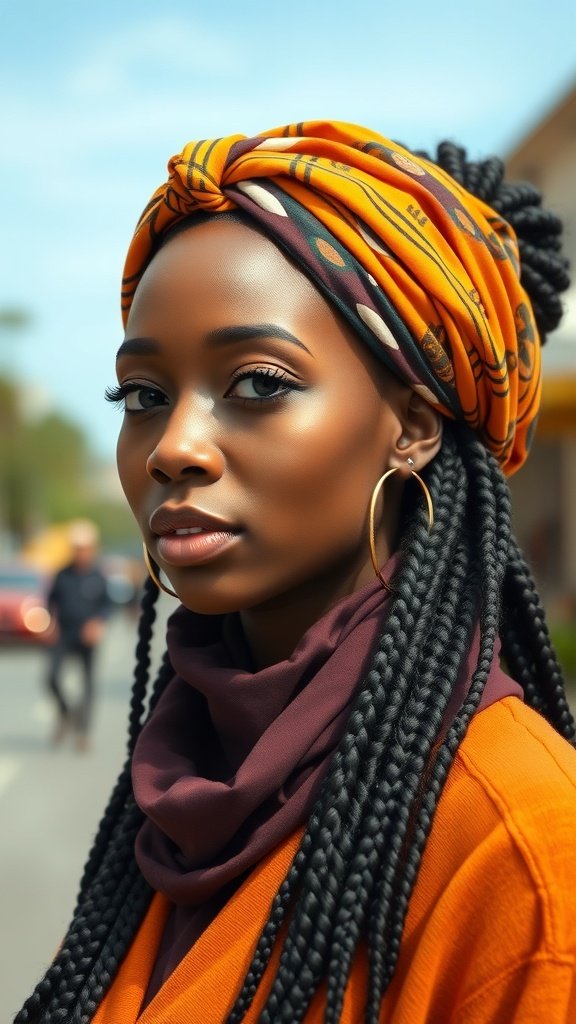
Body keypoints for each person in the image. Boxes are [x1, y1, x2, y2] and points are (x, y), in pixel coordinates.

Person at [16, 122, 576, 1023]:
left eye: (259, 383)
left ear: (413, 428)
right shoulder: (176, 781)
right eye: (144, 396)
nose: (173, 447)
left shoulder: (524, 856)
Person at [45, 519, 110, 751]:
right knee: (51, 677)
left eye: (85, 548)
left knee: (88, 685)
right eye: (77, 548)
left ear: (92, 549)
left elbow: (107, 605)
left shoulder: (98, 576)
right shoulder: (62, 574)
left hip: (87, 635)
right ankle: (65, 712)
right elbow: (51, 601)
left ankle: (82, 732)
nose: (81, 553)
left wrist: (97, 623)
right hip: (64, 633)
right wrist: (51, 624)